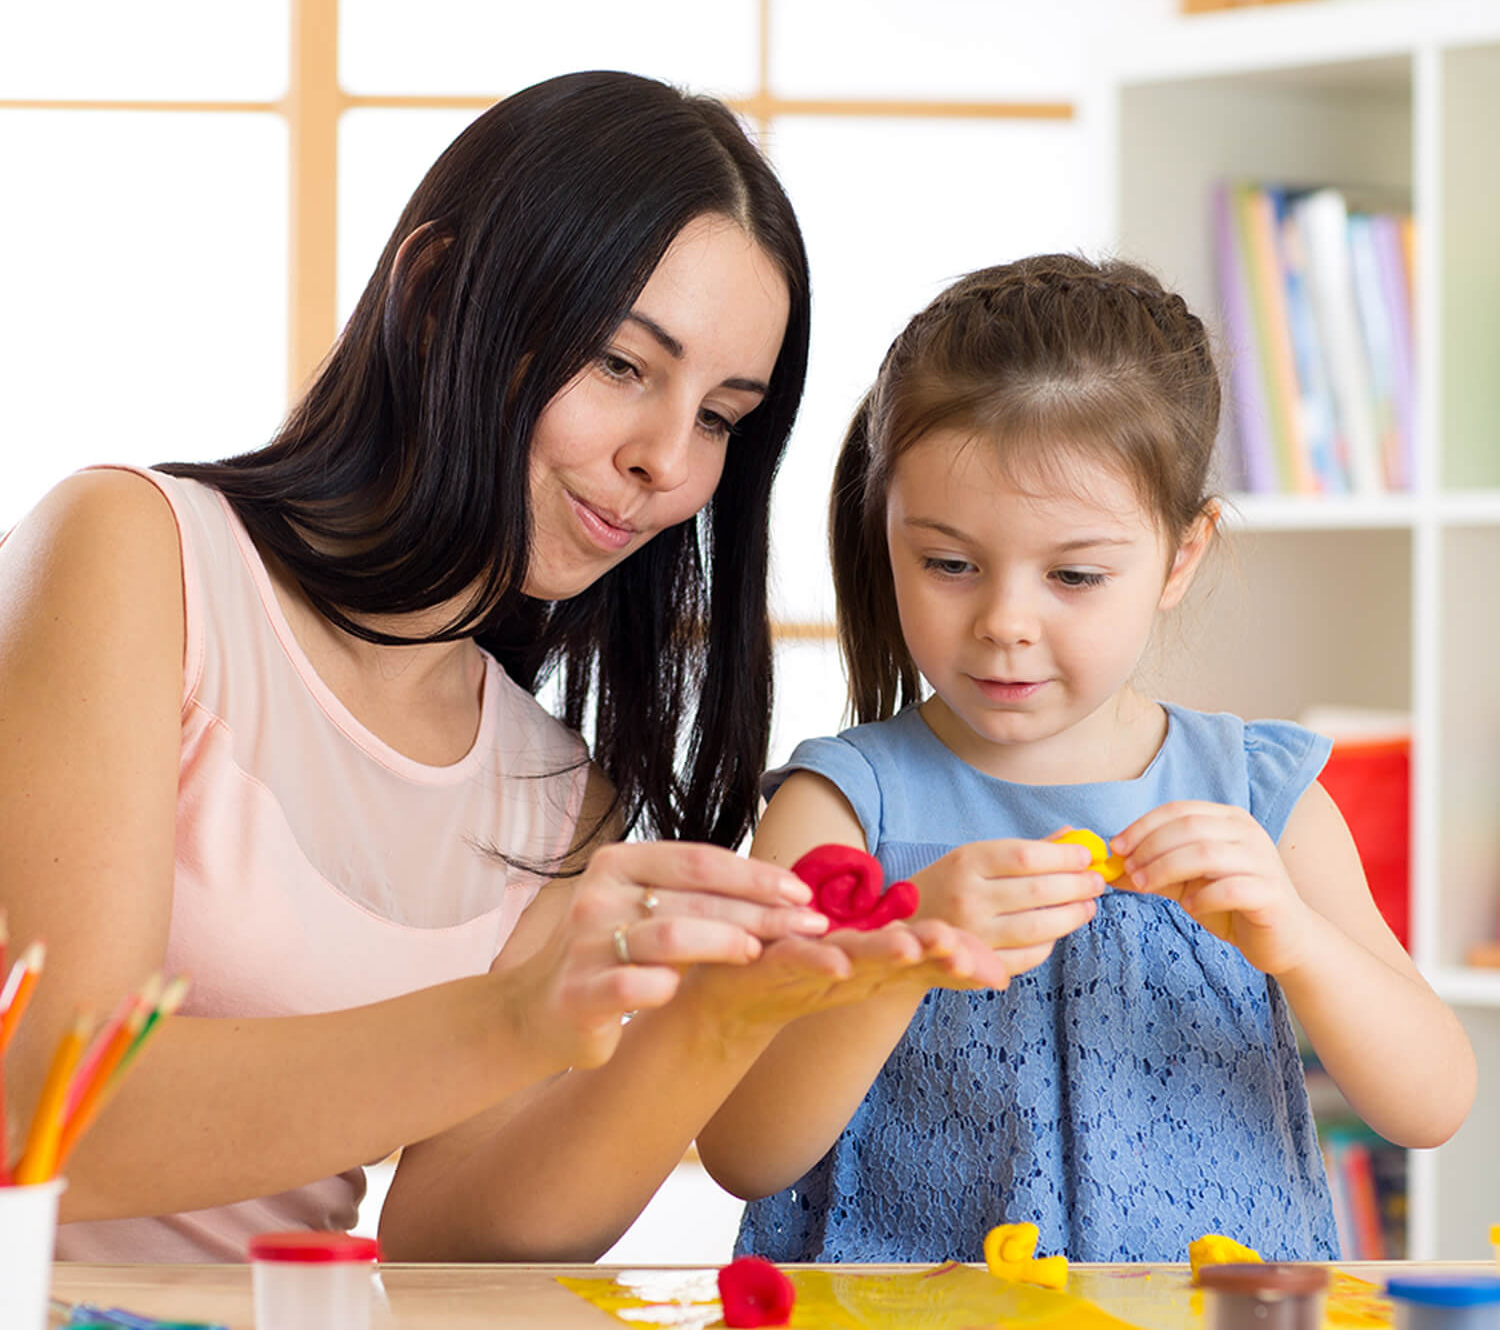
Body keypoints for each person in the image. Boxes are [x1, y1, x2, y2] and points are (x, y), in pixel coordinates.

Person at [0, 69, 851, 1262]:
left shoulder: (558, 798)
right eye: (621, 364)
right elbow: (45, 1107)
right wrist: (513, 1019)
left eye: (720, 415)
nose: (668, 459)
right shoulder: (135, 554)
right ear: (438, 296)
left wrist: (710, 1026)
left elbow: (453, 1246)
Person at [695, 254, 1475, 1264]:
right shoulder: (843, 812)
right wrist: (903, 952)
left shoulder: (1263, 800)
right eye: (948, 564)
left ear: (1180, 557)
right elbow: (744, 1150)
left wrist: (1297, 941)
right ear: (884, 529)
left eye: (1073, 574)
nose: (1005, 623)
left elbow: (1434, 1102)